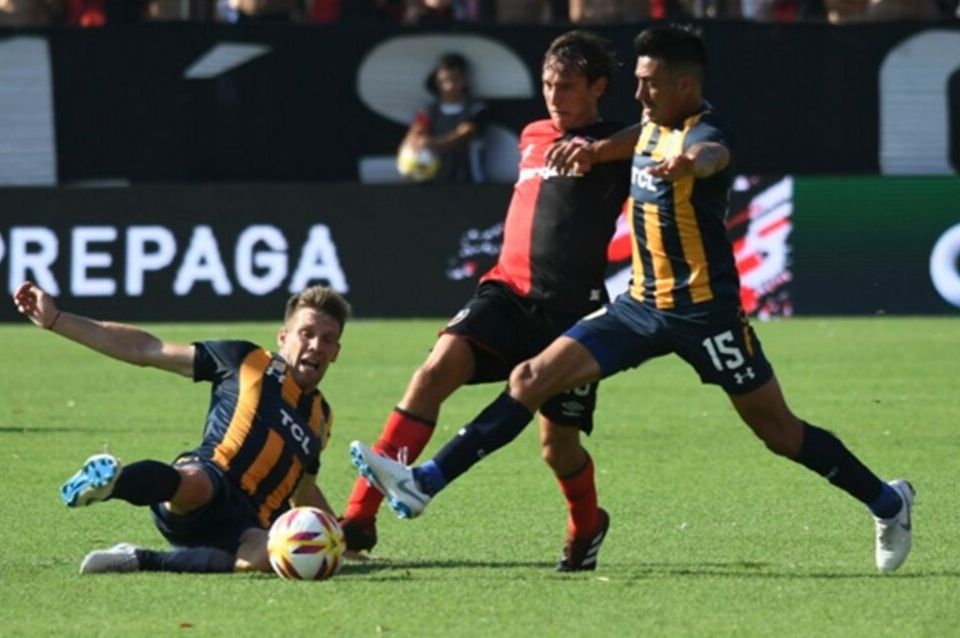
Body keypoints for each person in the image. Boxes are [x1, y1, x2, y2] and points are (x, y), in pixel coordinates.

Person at [349, 24, 916, 574]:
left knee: (780, 433)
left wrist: (691, 163)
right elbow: (632, 138)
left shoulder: (702, 132)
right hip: (639, 307)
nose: (639, 93)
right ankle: (425, 482)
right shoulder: (645, 127)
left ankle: (888, 502)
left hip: (706, 315)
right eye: (638, 81)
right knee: (529, 377)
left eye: (651, 83)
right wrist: (596, 153)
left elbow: (714, 153)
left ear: (685, 86)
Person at [343, 30, 632, 571]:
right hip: (506, 292)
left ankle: (588, 523)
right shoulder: (533, 135)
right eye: (548, 84)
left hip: (571, 315)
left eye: (568, 86)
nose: (555, 96)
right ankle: (359, 518)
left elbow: (669, 133)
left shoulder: (617, 143)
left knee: (558, 448)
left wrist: (602, 150)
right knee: (434, 372)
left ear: (598, 87)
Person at [12, 280, 350, 575]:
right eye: (306, 333)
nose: (315, 346)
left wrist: (339, 540)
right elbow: (147, 349)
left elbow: (304, 492)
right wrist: (56, 320)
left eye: (327, 339)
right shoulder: (246, 360)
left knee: (271, 556)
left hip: (249, 526)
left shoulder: (321, 418)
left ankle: (140, 559)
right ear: (283, 337)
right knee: (196, 484)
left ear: (335, 352)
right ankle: (112, 483)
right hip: (211, 479)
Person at [397, 52, 490, 184]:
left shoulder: (477, 109)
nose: (449, 86)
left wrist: (435, 144)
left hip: (470, 184)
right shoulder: (428, 111)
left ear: (465, 81)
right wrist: (412, 145)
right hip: (436, 184)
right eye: (444, 81)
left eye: (455, 80)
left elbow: (466, 133)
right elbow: (417, 131)